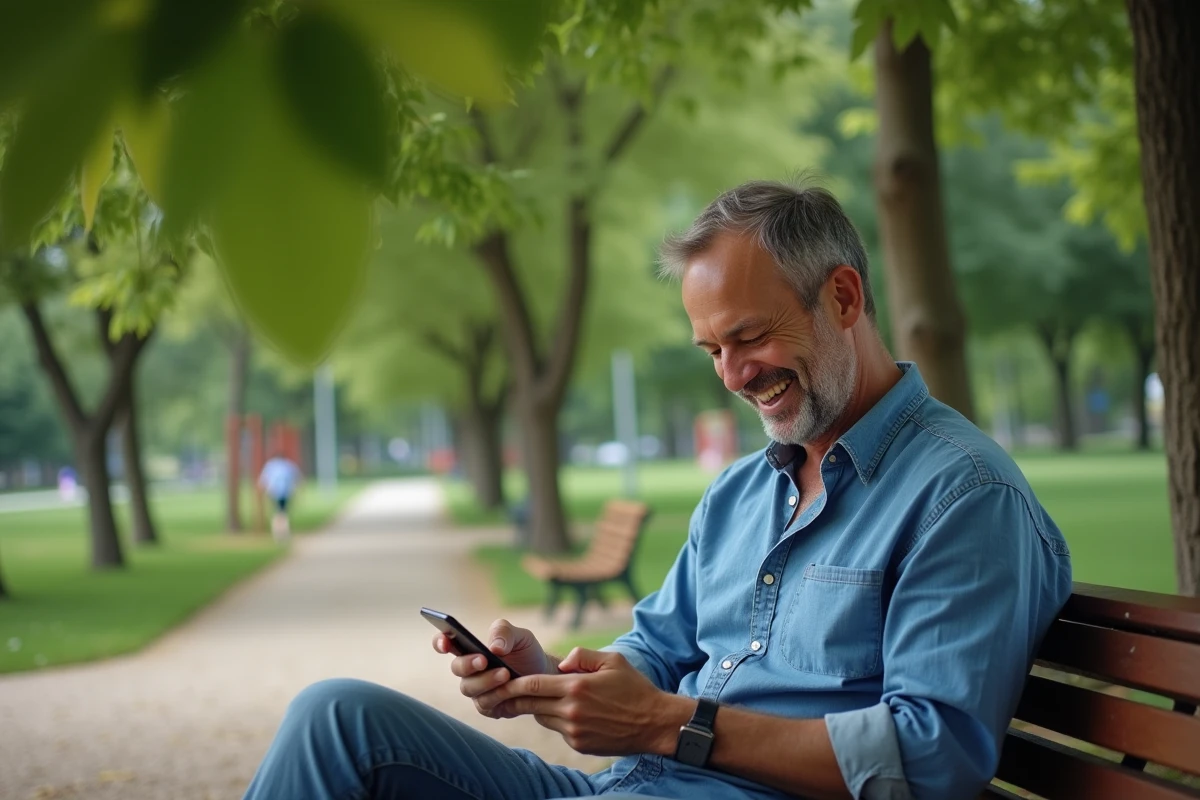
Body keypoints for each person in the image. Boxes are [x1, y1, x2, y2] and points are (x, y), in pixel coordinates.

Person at [242, 180, 1072, 800]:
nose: (734, 376)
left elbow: (932, 759)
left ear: (844, 297)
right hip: (627, 789)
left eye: (749, 337)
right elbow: (656, 651)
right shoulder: (742, 493)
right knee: (334, 718)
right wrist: (560, 681)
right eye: (711, 350)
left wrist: (663, 725)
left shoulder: (964, 497)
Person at [258, 452, 302, 542]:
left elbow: (263, 481)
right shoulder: (288, 465)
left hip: (273, 493)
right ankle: (284, 532)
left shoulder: (270, 465)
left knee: (277, 512)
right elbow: (297, 478)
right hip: (286, 493)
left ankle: (278, 532)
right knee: (283, 512)